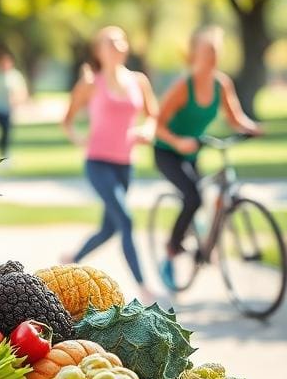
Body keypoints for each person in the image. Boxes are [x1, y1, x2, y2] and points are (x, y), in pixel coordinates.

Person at [154, 26, 262, 291]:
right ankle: (170, 251)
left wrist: (251, 127)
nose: (212, 56)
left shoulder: (221, 84)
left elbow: (235, 117)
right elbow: (156, 124)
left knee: (206, 195)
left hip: (193, 152)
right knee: (193, 196)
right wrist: (178, 141)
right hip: (167, 151)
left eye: (216, 51)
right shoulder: (183, 86)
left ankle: (203, 238)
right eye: (207, 51)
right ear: (195, 54)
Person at [62, 25, 159, 301]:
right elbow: (67, 118)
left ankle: (73, 257)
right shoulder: (91, 84)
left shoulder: (138, 81)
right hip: (97, 163)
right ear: (99, 51)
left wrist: (148, 131)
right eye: (109, 42)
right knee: (126, 220)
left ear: (126, 47)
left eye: (120, 41)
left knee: (110, 227)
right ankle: (143, 287)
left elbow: (152, 114)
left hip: (125, 164)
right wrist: (78, 137)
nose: (116, 45)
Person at [0, 48, 28, 159]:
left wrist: (17, 100)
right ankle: (1, 148)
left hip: (9, 109)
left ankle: (4, 152)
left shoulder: (15, 76)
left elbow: (22, 92)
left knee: (7, 131)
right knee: (3, 130)